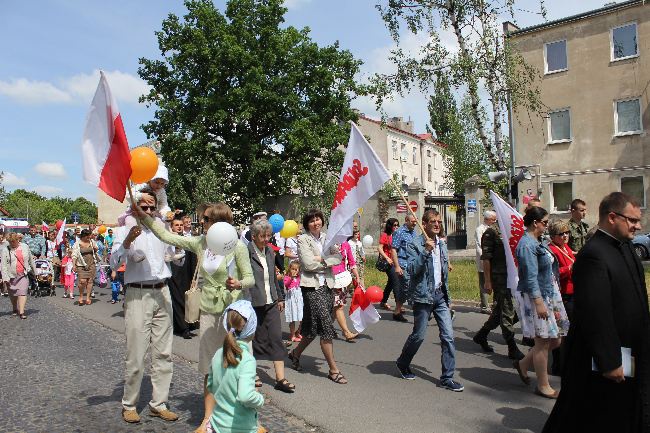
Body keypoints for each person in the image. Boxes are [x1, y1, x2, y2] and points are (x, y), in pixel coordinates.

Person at [134, 201, 254, 432]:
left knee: (238, 368)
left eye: (206, 219)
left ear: (218, 221)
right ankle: (208, 419)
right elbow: (167, 237)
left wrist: (238, 282)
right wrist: (145, 217)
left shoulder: (237, 247)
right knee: (210, 367)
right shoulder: (202, 243)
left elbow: (250, 278)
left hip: (234, 314)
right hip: (209, 312)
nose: (201, 222)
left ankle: (245, 419)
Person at [543, 192, 650, 433]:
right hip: (606, 359)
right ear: (613, 217)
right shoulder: (594, 255)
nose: (638, 225)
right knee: (595, 415)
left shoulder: (625, 247)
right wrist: (609, 361)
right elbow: (595, 312)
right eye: (632, 220)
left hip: (630, 349)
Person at [110, 187, 179, 424]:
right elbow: (112, 261)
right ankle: (129, 404)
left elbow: (174, 255)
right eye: (144, 206)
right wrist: (127, 243)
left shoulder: (161, 228)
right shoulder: (124, 229)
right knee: (136, 354)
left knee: (164, 353)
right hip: (138, 293)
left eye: (152, 206)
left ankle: (158, 403)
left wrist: (180, 242)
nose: (149, 210)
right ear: (134, 207)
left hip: (163, 291)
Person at [395, 210, 464, 391]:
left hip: (440, 297)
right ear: (423, 224)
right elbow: (412, 269)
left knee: (448, 337)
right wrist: (425, 251)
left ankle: (447, 378)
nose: (437, 224)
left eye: (439, 222)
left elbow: (443, 273)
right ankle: (403, 362)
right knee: (419, 335)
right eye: (433, 221)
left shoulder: (442, 244)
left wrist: (448, 297)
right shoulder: (415, 244)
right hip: (422, 297)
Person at [512, 206, 570, 399]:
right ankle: (543, 385)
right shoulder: (526, 244)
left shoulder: (538, 241)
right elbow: (529, 277)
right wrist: (538, 302)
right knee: (543, 341)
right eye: (545, 223)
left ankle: (523, 363)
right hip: (535, 296)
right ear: (535, 223)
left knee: (555, 339)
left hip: (548, 292)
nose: (547, 226)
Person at [288, 209, 347, 384]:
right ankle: (333, 370)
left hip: (328, 286)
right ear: (307, 224)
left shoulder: (327, 238)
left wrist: (320, 259)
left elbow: (338, 257)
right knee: (326, 327)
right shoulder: (302, 239)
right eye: (312, 220)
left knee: (312, 328)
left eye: (318, 219)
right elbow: (306, 264)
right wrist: (325, 260)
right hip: (312, 288)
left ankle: (295, 354)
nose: (316, 223)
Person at [246, 219, 295, 393]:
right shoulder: (246, 252)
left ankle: (280, 378)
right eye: (263, 236)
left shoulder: (269, 252)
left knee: (275, 337)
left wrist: (280, 298)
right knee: (253, 339)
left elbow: (274, 278)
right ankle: (252, 374)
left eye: (268, 235)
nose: (267, 239)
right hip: (253, 302)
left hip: (271, 301)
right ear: (254, 236)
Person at [205, 300, 263, 433]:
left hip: (217, 424)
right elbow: (245, 396)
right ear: (252, 329)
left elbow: (210, 385)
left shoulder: (218, 354)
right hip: (241, 427)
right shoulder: (247, 360)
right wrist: (259, 399)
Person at [472, 218, 524, 360]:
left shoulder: (514, 232)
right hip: (500, 278)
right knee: (507, 310)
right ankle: (511, 346)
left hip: (514, 276)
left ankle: (482, 335)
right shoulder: (491, 232)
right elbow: (486, 258)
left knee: (501, 312)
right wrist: (487, 281)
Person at [547, 220, 576, 375]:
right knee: (562, 331)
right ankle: (558, 365)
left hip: (572, 292)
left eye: (567, 233)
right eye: (561, 234)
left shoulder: (565, 247)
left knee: (568, 331)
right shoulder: (552, 250)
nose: (565, 236)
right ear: (553, 236)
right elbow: (554, 273)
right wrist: (570, 268)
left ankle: (565, 362)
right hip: (562, 295)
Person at [167, 215, 198, 339]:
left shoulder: (186, 240)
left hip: (186, 274)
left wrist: (194, 278)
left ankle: (188, 324)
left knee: (187, 300)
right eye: (176, 225)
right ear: (172, 227)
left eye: (180, 225)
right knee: (177, 301)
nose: (179, 227)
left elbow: (192, 258)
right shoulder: (168, 240)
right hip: (173, 275)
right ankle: (183, 328)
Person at [1, 232, 36, 319]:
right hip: (11, 275)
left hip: (23, 274)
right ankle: (14, 307)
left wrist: (35, 272)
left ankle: (21, 312)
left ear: (17, 240)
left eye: (13, 241)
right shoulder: (5, 250)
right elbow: (3, 265)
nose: (12, 243)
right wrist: (5, 278)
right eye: (10, 242)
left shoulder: (25, 247)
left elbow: (31, 260)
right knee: (13, 294)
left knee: (22, 292)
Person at [331, 239, 360, 341]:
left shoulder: (345, 244)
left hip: (344, 279)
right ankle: (346, 332)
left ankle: (327, 327)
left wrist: (357, 276)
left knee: (335, 307)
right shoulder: (328, 242)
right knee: (339, 306)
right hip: (331, 279)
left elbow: (352, 262)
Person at [391, 214, 418, 322]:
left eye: (416, 221)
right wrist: (397, 266)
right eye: (412, 221)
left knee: (405, 289)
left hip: (413, 264)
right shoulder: (399, 232)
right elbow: (394, 249)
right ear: (406, 220)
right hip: (402, 263)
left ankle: (397, 311)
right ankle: (418, 310)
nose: (415, 223)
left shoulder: (413, 232)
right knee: (407, 286)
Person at [71, 229, 100, 306]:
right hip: (81, 264)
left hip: (91, 264)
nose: (89, 238)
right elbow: (74, 255)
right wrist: (74, 265)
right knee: (82, 281)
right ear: (83, 236)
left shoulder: (91, 242)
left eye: (90, 236)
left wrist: (95, 248)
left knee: (90, 281)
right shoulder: (77, 244)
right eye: (88, 236)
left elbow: (96, 250)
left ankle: (87, 297)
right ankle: (81, 296)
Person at [475, 211, 496, 314]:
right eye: (493, 219)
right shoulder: (480, 229)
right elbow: (480, 246)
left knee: (494, 281)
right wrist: (485, 258)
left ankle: (495, 303)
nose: (494, 221)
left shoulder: (493, 229)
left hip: (493, 259)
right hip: (484, 259)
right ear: (487, 219)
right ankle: (484, 305)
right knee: (483, 281)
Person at [378, 218, 399, 310]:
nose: (396, 227)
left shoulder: (397, 235)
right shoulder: (385, 235)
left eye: (397, 225)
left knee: (390, 283)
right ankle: (399, 305)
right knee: (396, 281)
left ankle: (383, 301)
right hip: (388, 262)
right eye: (394, 225)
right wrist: (387, 258)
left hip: (396, 261)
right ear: (390, 226)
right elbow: (379, 248)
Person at [283, 261, 303, 343]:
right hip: (291, 300)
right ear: (289, 269)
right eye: (293, 269)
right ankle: (292, 335)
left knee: (302, 316)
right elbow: (287, 285)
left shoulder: (299, 278)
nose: (294, 271)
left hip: (299, 300)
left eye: (296, 269)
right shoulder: (287, 277)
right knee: (292, 318)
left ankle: (298, 331)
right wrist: (291, 277)